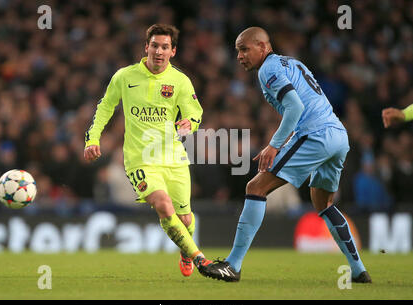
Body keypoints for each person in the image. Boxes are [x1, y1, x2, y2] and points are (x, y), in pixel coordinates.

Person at [201, 27, 371, 283]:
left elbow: (295, 107)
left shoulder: (268, 69)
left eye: (245, 49)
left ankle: (232, 265)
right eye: (237, 50)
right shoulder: (292, 63)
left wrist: (274, 145)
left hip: (315, 134)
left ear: (263, 47)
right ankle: (358, 270)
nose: (239, 56)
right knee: (323, 203)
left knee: (255, 187)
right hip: (338, 135)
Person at [84, 24, 212, 277]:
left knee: (185, 220)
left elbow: (195, 113)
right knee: (163, 205)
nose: (159, 51)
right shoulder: (124, 76)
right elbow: (105, 107)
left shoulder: (180, 81)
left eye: (165, 47)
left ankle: (185, 251)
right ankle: (200, 258)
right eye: (154, 45)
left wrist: (191, 124)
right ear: (146, 47)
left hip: (173, 157)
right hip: (140, 159)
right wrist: (92, 138)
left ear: (173, 51)